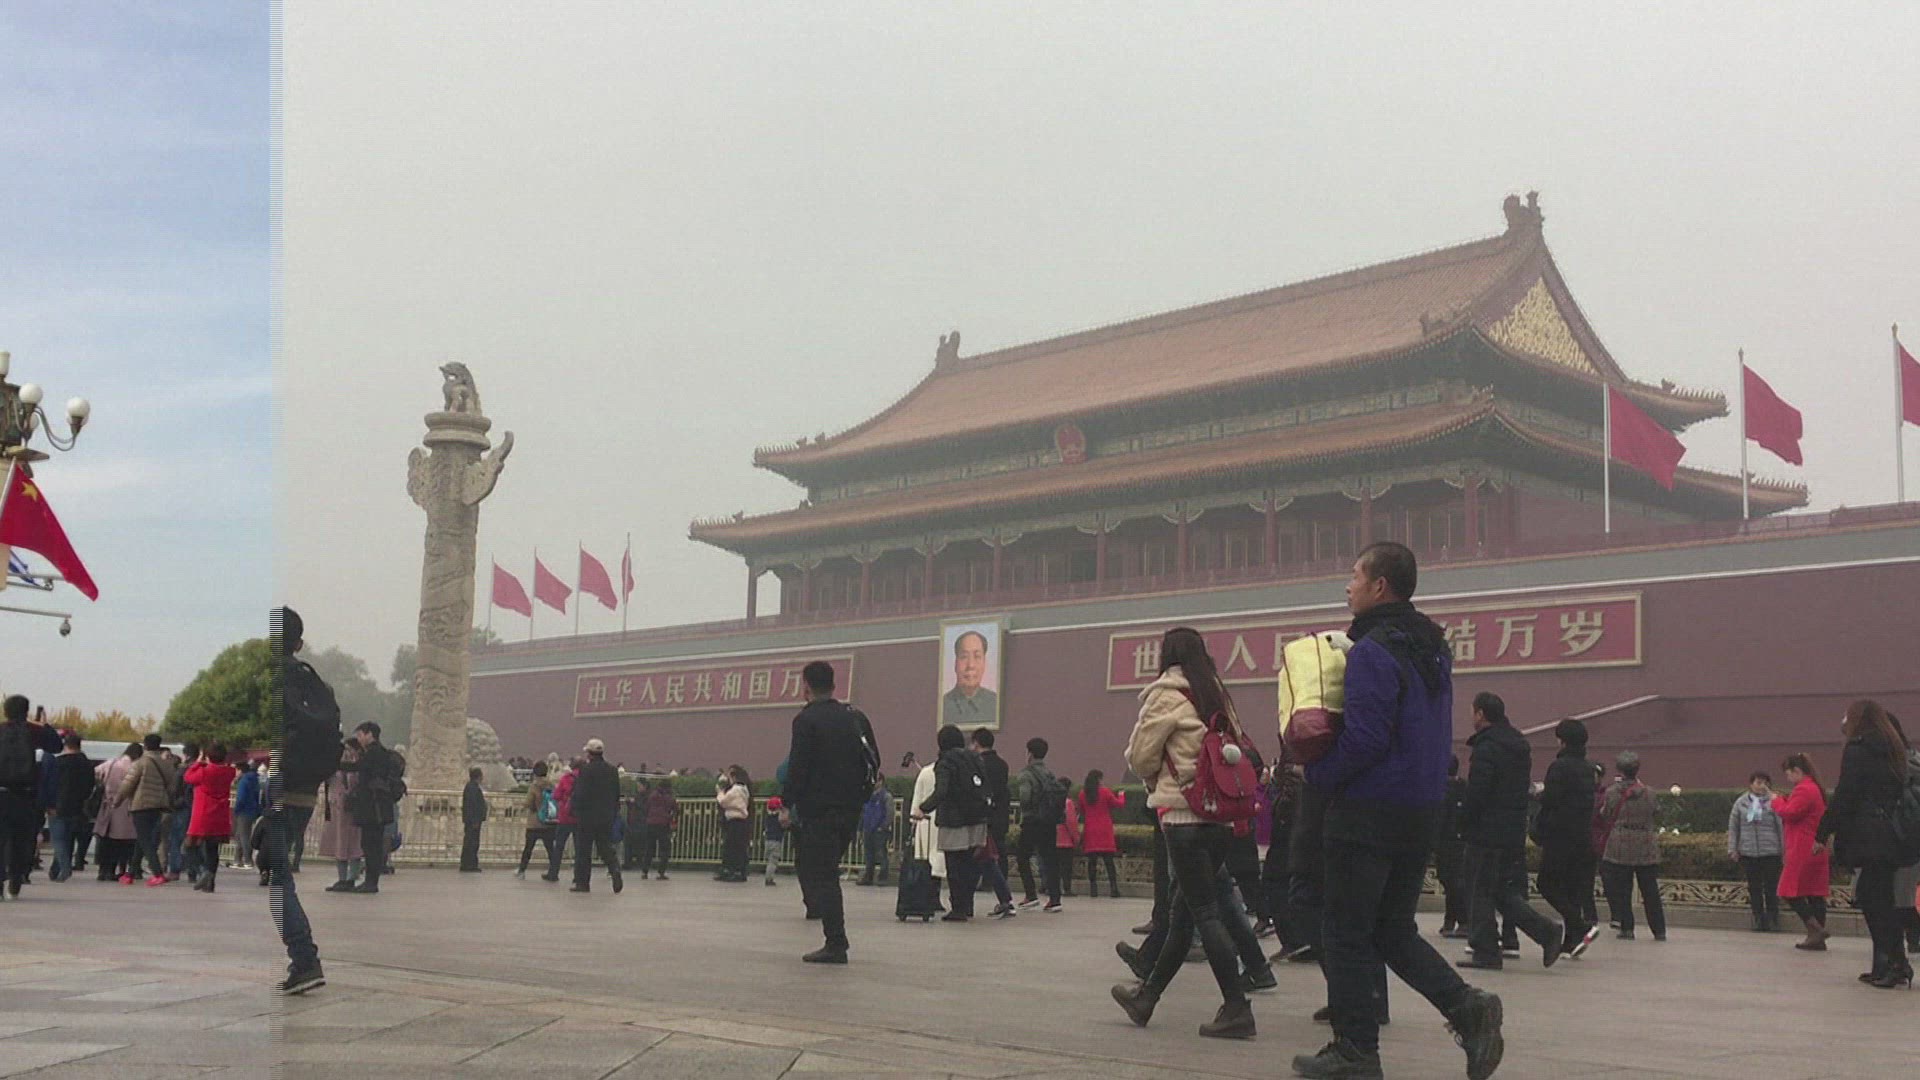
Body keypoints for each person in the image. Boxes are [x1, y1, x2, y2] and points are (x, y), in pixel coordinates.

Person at [1290, 543, 1503, 1080]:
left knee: (1344, 930)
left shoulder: (1372, 651)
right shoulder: (1432, 648)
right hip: (1420, 809)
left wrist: (1316, 775)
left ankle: (1356, 1050)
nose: (1348, 586)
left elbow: (1365, 739)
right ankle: (1467, 1008)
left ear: (1379, 585)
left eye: (1354, 575)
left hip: (1367, 810)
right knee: (1391, 929)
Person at [1110, 626, 1257, 1041]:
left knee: (1205, 914)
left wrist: (1156, 771)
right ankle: (1147, 998)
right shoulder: (1216, 694)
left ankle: (1236, 1006)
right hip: (1220, 820)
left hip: (1184, 817)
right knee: (1183, 915)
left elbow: (1141, 757)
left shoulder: (1166, 695)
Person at [1455, 692, 1563, 972]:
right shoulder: (1518, 745)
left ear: (1481, 714)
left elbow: (1478, 792)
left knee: (1479, 890)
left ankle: (1486, 951)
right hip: (1511, 831)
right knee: (1501, 892)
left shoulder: (1487, 748)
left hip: (1486, 832)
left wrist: (1463, 822)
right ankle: (1546, 932)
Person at [783, 659, 880, 963]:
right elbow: (873, 760)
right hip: (850, 808)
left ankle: (836, 943)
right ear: (833, 684)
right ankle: (835, 939)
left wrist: (787, 802)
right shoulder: (855, 717)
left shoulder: (806, 720)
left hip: (819, 810)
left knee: (823, 875)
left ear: (806, 686)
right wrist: (860, 796)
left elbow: (798, 767)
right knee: (826, 870)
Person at [269, 605, 341, 995]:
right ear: (298, 643)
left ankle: (305, 959)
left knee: (278, 879)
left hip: (279, 783)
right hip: (307, 790)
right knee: (277, 867)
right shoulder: (318, 685)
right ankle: (302, 959)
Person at [1815, 699, 1911, 988]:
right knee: (1881, 898)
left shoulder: (1857, 749)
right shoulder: (1894, 749)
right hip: (1892, 835)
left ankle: (1895, 963)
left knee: (1873, 899)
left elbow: (1846, 793)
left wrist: (1823, 831)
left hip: (1869, 836)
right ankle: (1890, 963)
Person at [1534, 718, 1600, 958]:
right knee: (1572, 889)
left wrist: (1538, 796)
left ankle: (1580, 925)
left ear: (1562, 741)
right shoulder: (1588, 768)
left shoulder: (1559, 767)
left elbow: (1552, 800)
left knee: (1546, 884)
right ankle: (1572, 941)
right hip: (1582, 836)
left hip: (1559, 836)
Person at [919, 724, 989, 923]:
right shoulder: (975, 758)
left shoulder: (945, 762)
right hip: (976, 818)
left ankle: (958, 908)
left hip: (954, 820)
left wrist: (923, 808)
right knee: (969, 863)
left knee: (954, 866)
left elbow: (941, 791)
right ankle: (967, 905)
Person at [1599, 751, 1665, 941]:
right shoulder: (1649, 793)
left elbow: (1605, 814)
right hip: (1645, 843)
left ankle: (1627, 928)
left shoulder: (1612, 792)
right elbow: (1657, 813)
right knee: (1650, 890)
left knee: (1623, 889)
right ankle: (1659, 929)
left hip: (1620, 844)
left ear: (1620, 770)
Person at [0, 696, 63, 896]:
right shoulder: (35, 731)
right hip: (26, 796)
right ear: (26, 711)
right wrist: (45, 725)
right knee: (21, 840)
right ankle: (16, 877)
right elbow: (57, 746)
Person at [1771, 753, 1831, 950]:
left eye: (1788, 773)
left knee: (1788, 890)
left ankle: (1815, 929)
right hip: (1816, 846)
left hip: (1802, 847)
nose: (1788, 778)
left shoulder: (1804, 789)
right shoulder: (1815, 788)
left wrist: (1777, 801)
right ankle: (1817, 938)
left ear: (1796, 771)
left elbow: (1790, 813)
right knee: (1815, 893)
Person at [339, 721, 402, 894]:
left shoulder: (374, 753)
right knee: (371, 844)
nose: (359, 739)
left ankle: (371, 882)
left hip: (374, 807)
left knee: (371, 845)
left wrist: (338, 765)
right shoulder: (378, 753)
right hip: (377, 806)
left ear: (369, 734)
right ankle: (370, 881)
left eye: (360, 735)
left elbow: (359, 768)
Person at [119, 732, 180, 886]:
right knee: (142, 838)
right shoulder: (166, 764)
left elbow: (128, 783)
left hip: (141, 804)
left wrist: (117, 800)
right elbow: (172, 786)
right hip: (158, 805)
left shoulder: (140, 763)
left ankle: (158, 873)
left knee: (144, 840)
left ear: (145, 745)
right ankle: (131, 873)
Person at [1727, 770, 1784, 931]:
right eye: (1758, 782)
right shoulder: (1741, 803)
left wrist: (1784, 850)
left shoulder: (1774, 801)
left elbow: (1781, 827)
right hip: (1748, 851)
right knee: (1754, 887)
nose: (1761, 786)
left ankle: (1773, 918)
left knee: (1771, 886)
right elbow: (1734, 827)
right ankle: (1758, 918)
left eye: (1765, 783)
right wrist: (1733, 848)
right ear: (1751, 784)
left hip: (1770, 851)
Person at [1013, 737, 1066, 911]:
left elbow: (1025, 798)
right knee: (1050, 858)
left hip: (1032, 821)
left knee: (1022, 856)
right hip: (1049, 821)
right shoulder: (1049, 773)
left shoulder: (1026, 774)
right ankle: (1055, 899)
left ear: (1029, 753)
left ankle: (1030, 895)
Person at [567, 738, 623, 894]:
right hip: (606, 816)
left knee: (583, 850)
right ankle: (614, 868)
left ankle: (582, 883)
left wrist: (573, 808)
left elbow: (580, 793)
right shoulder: (612, 770)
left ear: (589, 754)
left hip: (587, 816)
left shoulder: (586, 770)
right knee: (604, 846)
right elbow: (616, 794)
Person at [183, 743, 237, 893]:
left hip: (202, 813)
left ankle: (204, 871)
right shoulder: (230, 772)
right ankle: (210, 881)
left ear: (207, 756)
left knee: (189, 846)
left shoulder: (204, 772)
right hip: (220, 814)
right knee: (213, 849)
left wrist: (198, 762)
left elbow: (188, 777)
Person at [47, 733, 95, 882]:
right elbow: (90, 786)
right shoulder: (87, 764)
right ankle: (55, 870)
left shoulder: (59, 762)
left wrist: (48, 803)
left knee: (58, 839)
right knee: (67, 839)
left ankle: (65, 867)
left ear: (65, 744)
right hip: (78, 806)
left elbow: (51, 785)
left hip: (58, 805)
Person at [320, 740, 364, 893]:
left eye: (350, 749)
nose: (347, 753)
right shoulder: (333, 768)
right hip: (337, 811)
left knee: (355, 844)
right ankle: (342, 878)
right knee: (339, 844)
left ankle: (352, 878)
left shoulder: (359, 768)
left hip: (353, 811)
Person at [93, 743, 141, 883]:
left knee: (105, 840)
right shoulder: (134, 767)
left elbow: (96, 773)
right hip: (125, 806)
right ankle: (115, 870)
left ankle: (103, 870)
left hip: (107, 805)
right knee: (120, 842)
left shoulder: (111, 763)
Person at [969, 728, 1012, 881]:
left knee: (979, 848)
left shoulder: (976, 764)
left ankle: (981, 879)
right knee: (999, 848)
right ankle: (1001, 880)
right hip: (1000, 813)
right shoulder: (1002, 764)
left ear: (976, 743)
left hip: (981, 814)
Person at [1434, 755, 1469, 938]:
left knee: (1452, 882)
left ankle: (1461, 921)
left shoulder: (1442, 791)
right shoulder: (1465, 788)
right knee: (1452, 882)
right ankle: (1451, 920)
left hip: (1446, 841)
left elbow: (1439, 819)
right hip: (1461, 840)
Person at [1079, 770, 1125, 899]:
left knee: (1092, 862)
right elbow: (1119, 804)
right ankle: (1113, 889)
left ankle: (1093, 889)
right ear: (1099, 779)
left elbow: (1082, 810)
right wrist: (1121, 795)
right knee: (1109, 862)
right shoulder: (1105, 792)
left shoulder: (1083, 794)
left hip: (1090, 829)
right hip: (1104, 829)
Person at [941, 630, 998, 725]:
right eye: (964, 657)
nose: (971, 665)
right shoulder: (942, 705)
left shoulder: (995, 703)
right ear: (955, 663)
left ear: (984, 663)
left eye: (977, 656)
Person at [517, 760, 557, 878]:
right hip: (548, 822)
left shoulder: (534, 786)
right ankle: (553, 872)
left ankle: (522, 871)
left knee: (528, 849)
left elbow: (529, 802)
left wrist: (522, 808)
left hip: (534, 822)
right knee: (550, 849)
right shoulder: (552, 785)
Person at [715, 766, 752, 882]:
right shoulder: (745, 790)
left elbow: (724, 801)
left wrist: (720, 793)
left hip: (734, 821)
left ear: (734, 777)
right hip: (742, 821)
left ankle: (732, 871)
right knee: (739, 847)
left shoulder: (736, 790)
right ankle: (739, 871)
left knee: (731, 847)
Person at [639, 777, 678, 879]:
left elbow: (646, 808)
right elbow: (675, 809)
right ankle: (661, 872)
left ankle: (644, 871)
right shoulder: (669, 797)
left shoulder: (652, 795)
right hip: (663, 824)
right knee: (664, 849)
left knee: (649, 848)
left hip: (651, 823)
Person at [857, 776, 893, 886]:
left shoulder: (886, 796)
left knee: (881, 853)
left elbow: (889, 813)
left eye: (875, 780)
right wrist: (860, 828)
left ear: (881, 781)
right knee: (868, 854)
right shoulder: (868, 796)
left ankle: (883, 878)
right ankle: (868, 877)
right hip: (868, 828)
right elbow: (863, 812)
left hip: (879, 830)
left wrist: (884, 826)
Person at [548, 759, 579, 881]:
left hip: (565, 817)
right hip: (579, 818)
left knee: (559, 847)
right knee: (580, 849)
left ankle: (553, 873)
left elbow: (556, 796)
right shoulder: (586, 779)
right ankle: (578, 876)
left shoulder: (566, 778)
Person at [231, 761, 262, 870]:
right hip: (251, 811)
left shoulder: (244, 781)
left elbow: (241, 798)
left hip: (243, 811)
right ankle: (237, 860)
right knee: (240, 835)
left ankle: (248, 860)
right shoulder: (254, 780)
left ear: (240, 770)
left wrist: (236, 809)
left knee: (243, 836)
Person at [460, 767, 488, 872]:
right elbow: (473, 805)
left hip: (471, 820)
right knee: (472, 843)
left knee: (469, 842)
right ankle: (470, 864)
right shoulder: (473, 788)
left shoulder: (471, 787)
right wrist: (475, 820)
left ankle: (467, 864)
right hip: (473, 821)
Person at [762, 795, 787, 886]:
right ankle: (769, 878)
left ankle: (768, 876)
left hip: (768, 840)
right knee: (773, 861)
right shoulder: (778, 817)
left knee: (769, 860)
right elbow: (783, 826)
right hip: (776, 840)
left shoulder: (768, 817)